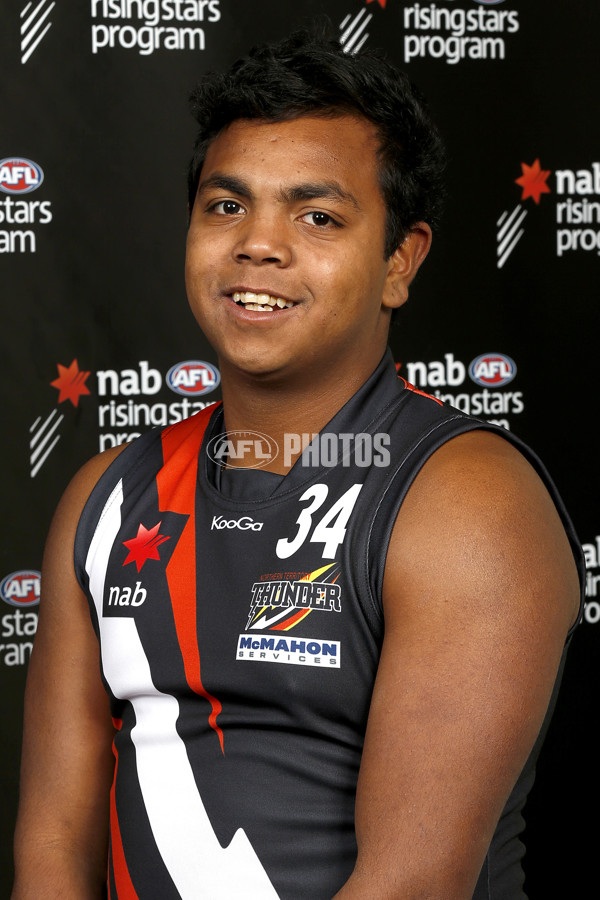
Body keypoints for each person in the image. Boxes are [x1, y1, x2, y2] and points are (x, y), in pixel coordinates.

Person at [12, 26, 583, 900]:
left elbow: (410, 887)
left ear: (400, 262)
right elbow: (53, 845)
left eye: (317, 216)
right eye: (226, 205)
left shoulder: (466, 500)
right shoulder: (106, 498)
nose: (258, 246)